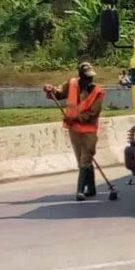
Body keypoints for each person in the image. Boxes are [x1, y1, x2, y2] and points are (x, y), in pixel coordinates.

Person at [43, 62, 105, 202]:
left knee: (85, 159)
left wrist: (76, 118)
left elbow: (93, 113)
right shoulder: (71, 84)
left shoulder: (98, 92)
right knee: (81, 160)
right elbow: (58, 94)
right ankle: (91, 187)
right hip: (74, 130)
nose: (90, 80)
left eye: (91, 77)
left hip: (88, 130)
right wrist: (50, 90)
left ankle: (80, 191)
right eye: (87, 77)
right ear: (80, 76)